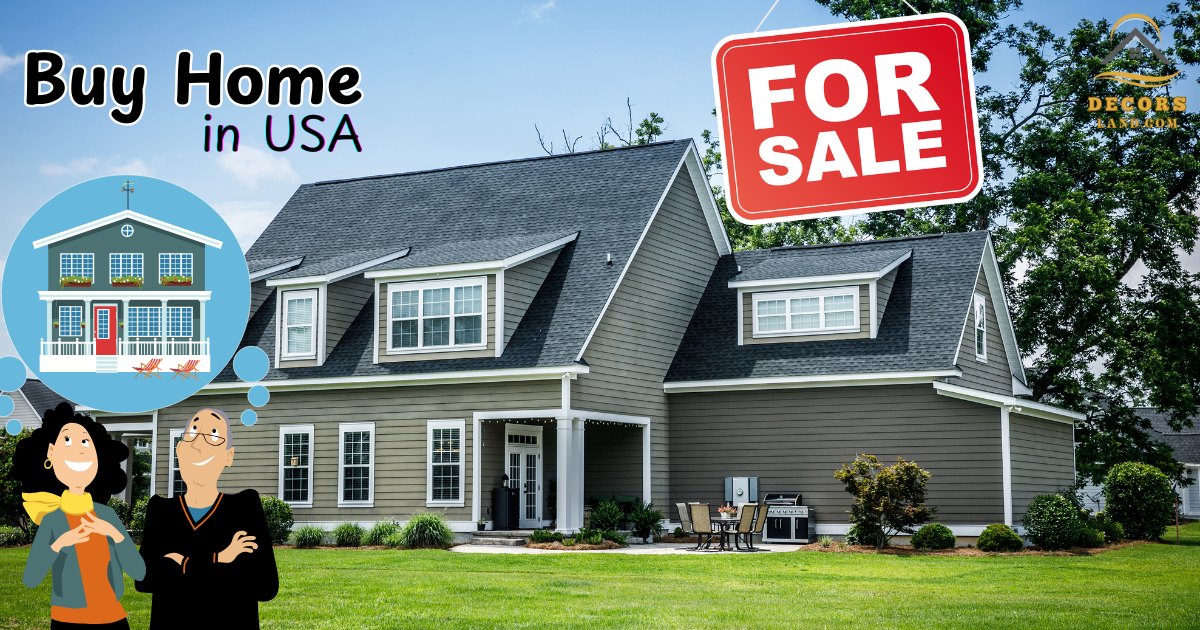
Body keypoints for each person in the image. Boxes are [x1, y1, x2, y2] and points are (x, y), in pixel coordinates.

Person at [136, 408, 278, 629]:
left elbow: (264, 585)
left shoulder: (244, 508)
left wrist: (181, 563)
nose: (199, 445)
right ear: (180, 449)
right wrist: (221, 558)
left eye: (213, 435)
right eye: (193, 431)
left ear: (228, 456)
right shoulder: (161, 511)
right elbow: (145, 579)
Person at [13, 402, 146, 630]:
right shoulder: (53, 519)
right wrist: (59, 544)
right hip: (68, 621)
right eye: (67, 440)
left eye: (85, 442)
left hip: (113, 618)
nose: (79, 449)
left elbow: (139, 572)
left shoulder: (107, 515)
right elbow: (31, 578)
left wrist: (116, 534)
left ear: (97, 458)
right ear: (51, 453)